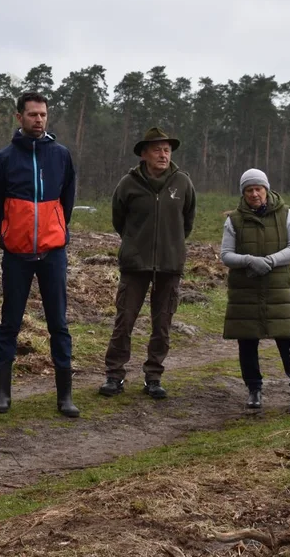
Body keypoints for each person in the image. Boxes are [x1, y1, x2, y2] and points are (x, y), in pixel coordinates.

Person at [0, 92, 79, 418]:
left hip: (53, 252)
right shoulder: (4, 158)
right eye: (32, 115)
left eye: (43, 114)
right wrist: (13, 229)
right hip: (16, 253)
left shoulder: (62, 156)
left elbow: (67, 199)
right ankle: (2, 395)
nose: (38, 120)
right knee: (9, 323)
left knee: (59, 323)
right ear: (19, 118)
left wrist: (54, 228)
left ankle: (65, 397)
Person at [99, 127, 196, 400]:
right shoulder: (127, 184)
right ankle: (114, 375)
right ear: (144, 154)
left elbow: (187, 222)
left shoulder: (183, 183)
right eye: (157, 150)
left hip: (169, 264)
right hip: (135, 264)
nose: (163, 155)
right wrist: (135, 243)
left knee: (162, 324)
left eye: (167, 150)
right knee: (124, 321)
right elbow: (119, 221)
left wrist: (171, 244)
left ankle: (153, 377)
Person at [219, 168, 290, 409]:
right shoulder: (233, 219)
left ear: (266, 189)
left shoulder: (286, 214)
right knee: (247, 341)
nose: (254, 194)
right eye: (249, 190)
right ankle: (254, 389)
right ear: (243, 193)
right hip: (245, 291)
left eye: (258, 189)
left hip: (279, 289)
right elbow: (226, 255)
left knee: (287, 340)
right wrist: (249, 260)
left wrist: (270, 261)